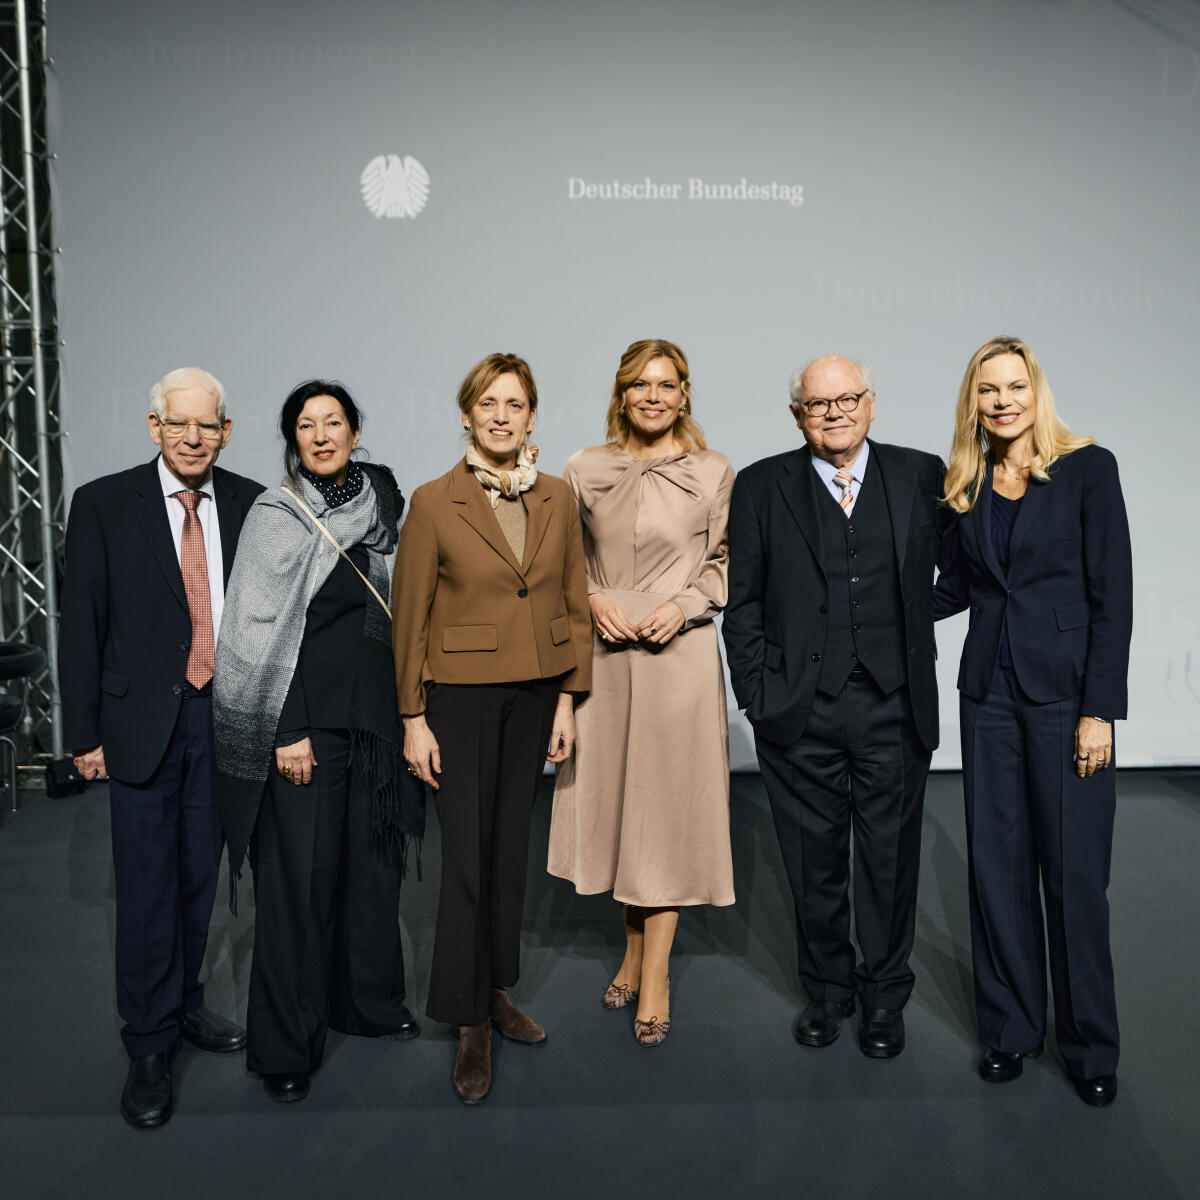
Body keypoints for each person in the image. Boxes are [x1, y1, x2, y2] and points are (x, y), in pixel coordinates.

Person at [723, 355, 947, 1059]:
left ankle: (885, 998)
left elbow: (964, 571)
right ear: (798, 416)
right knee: (812, 860)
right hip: (799, 710)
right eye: (818, 404)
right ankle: (826, 990)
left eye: (848, 398)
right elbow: (744, 603)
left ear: (872, 404)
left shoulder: (920, 474)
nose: (835, 412)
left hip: (894, 704)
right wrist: (759, 697)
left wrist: (907, 627)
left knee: (889, 861)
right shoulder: (761, 485)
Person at [58, 367, 263, 1128]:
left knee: (195, 881)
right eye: (177, 424)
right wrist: (82, 736)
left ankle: (183, 1006)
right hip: (139, 727)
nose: (191, 437)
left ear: (225, 431)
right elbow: (82, 624)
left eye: (206, 425)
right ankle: (147, 1044)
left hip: (221, 721)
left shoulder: (249, 503)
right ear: (153, 427)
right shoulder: (105, 504)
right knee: (145, 890)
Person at [213, 380, 424, 1104]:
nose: (323, 434)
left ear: (355, 429)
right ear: (292, 439)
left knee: (371, 874)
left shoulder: (384, 503)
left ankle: (363, 1005)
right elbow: (253, 632)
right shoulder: (275, 516)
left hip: (375, 723)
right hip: (304, 727)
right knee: (297, 885)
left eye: (334, 422)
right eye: (308, 425)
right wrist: (289, 730)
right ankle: (285, 1047)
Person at [934, 336, 1132, 1107]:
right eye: (988, 390)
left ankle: (1089, 1046)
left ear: (1036, 391)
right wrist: (863, 607)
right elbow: (953, 590)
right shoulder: (969, 480)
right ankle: (1011, 1030)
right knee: (999, 869)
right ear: (973, 401)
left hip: (1065, 701)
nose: (1003, 400)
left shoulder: (1088, 468)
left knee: (1076, 879)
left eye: (1015, 386)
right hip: (987, 698)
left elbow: (1112, 598)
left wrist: (1099, 713)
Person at [393, 352, 591, 1104]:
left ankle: (498, 989)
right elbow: (408, 618)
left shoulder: (556, 498)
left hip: (535, 693)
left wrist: (568, 701)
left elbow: (572, 600)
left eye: (515, 404)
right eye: (488, 403)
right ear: (467, 414)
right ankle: (467, 1018)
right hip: (460, 698)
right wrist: (413, 718)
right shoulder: (435, 501)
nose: (502, 415)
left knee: (509, 854)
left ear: (532, 416)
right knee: (468, 861)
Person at [547, 338, 735, 1047]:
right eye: (639, 385)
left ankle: (655, 975)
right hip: (603, 654)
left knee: (667, 817)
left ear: (685, 393)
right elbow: (565, 561)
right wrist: (591, 600)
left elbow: (725, 566)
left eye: (666, 384)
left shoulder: (714, 470)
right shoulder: (581, 467)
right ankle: (630, 949)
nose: (653, 396)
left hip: (677, 656)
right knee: (622, 809)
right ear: (621, 394)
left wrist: (682, 608)